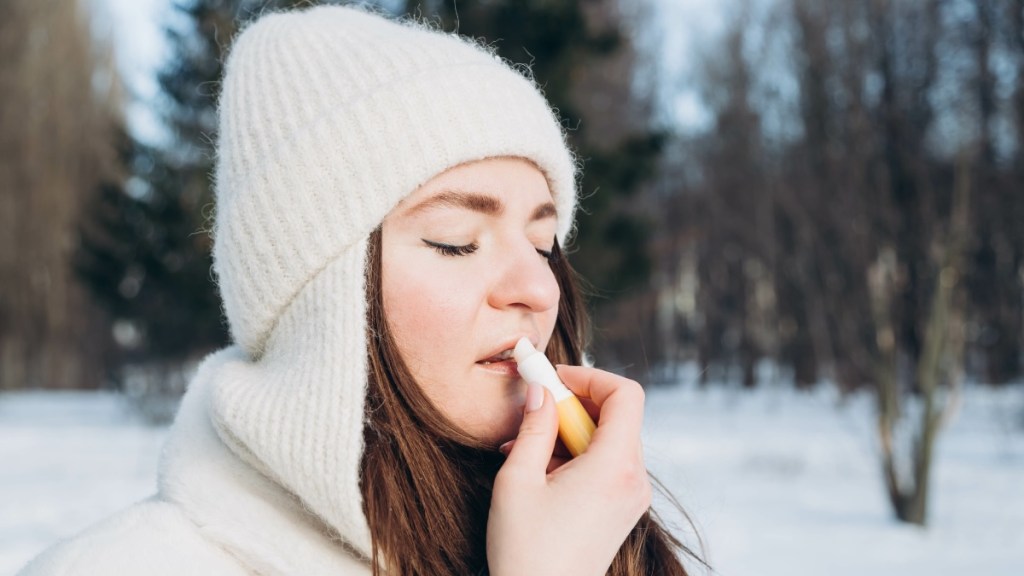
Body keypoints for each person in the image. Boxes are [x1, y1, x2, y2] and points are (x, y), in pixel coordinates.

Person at [20, 5, 703, 575]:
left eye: (543, 243)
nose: (535, 289)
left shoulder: (591, 530)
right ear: (318, 296)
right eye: (455, 240)